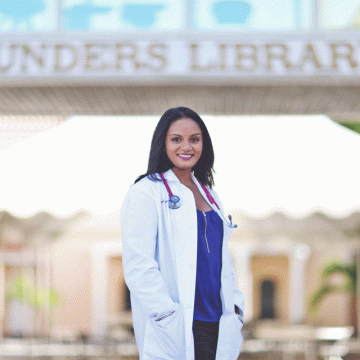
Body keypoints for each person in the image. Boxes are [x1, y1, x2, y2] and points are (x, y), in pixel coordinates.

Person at [121, 107, 245, 360]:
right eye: (176, 139)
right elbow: (139, 266)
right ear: (163, 143)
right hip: (180, 324)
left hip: (219, 323)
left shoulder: (211, 194)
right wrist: (167, 315)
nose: (186, 147)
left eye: (194, 139)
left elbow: (222, 259)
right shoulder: (146, 192)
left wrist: (236, 306)